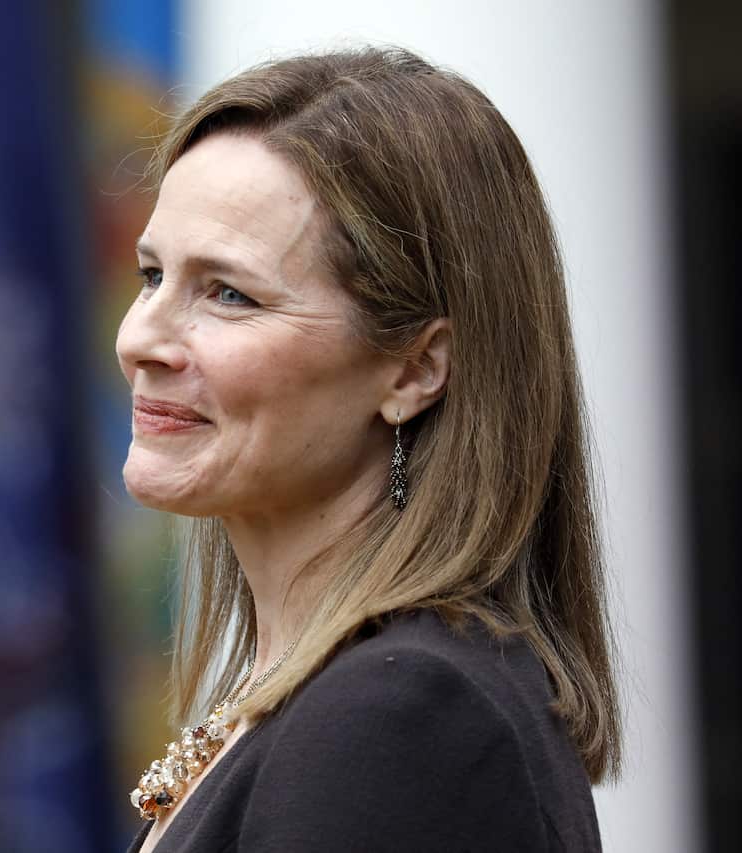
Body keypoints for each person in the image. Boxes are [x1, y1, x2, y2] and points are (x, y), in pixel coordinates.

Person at [116, 46, 620, 853]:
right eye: (151, 276)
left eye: (229, 293)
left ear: (416, 369)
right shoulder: (334, 694)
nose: (143, 339)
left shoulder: (403, 714)